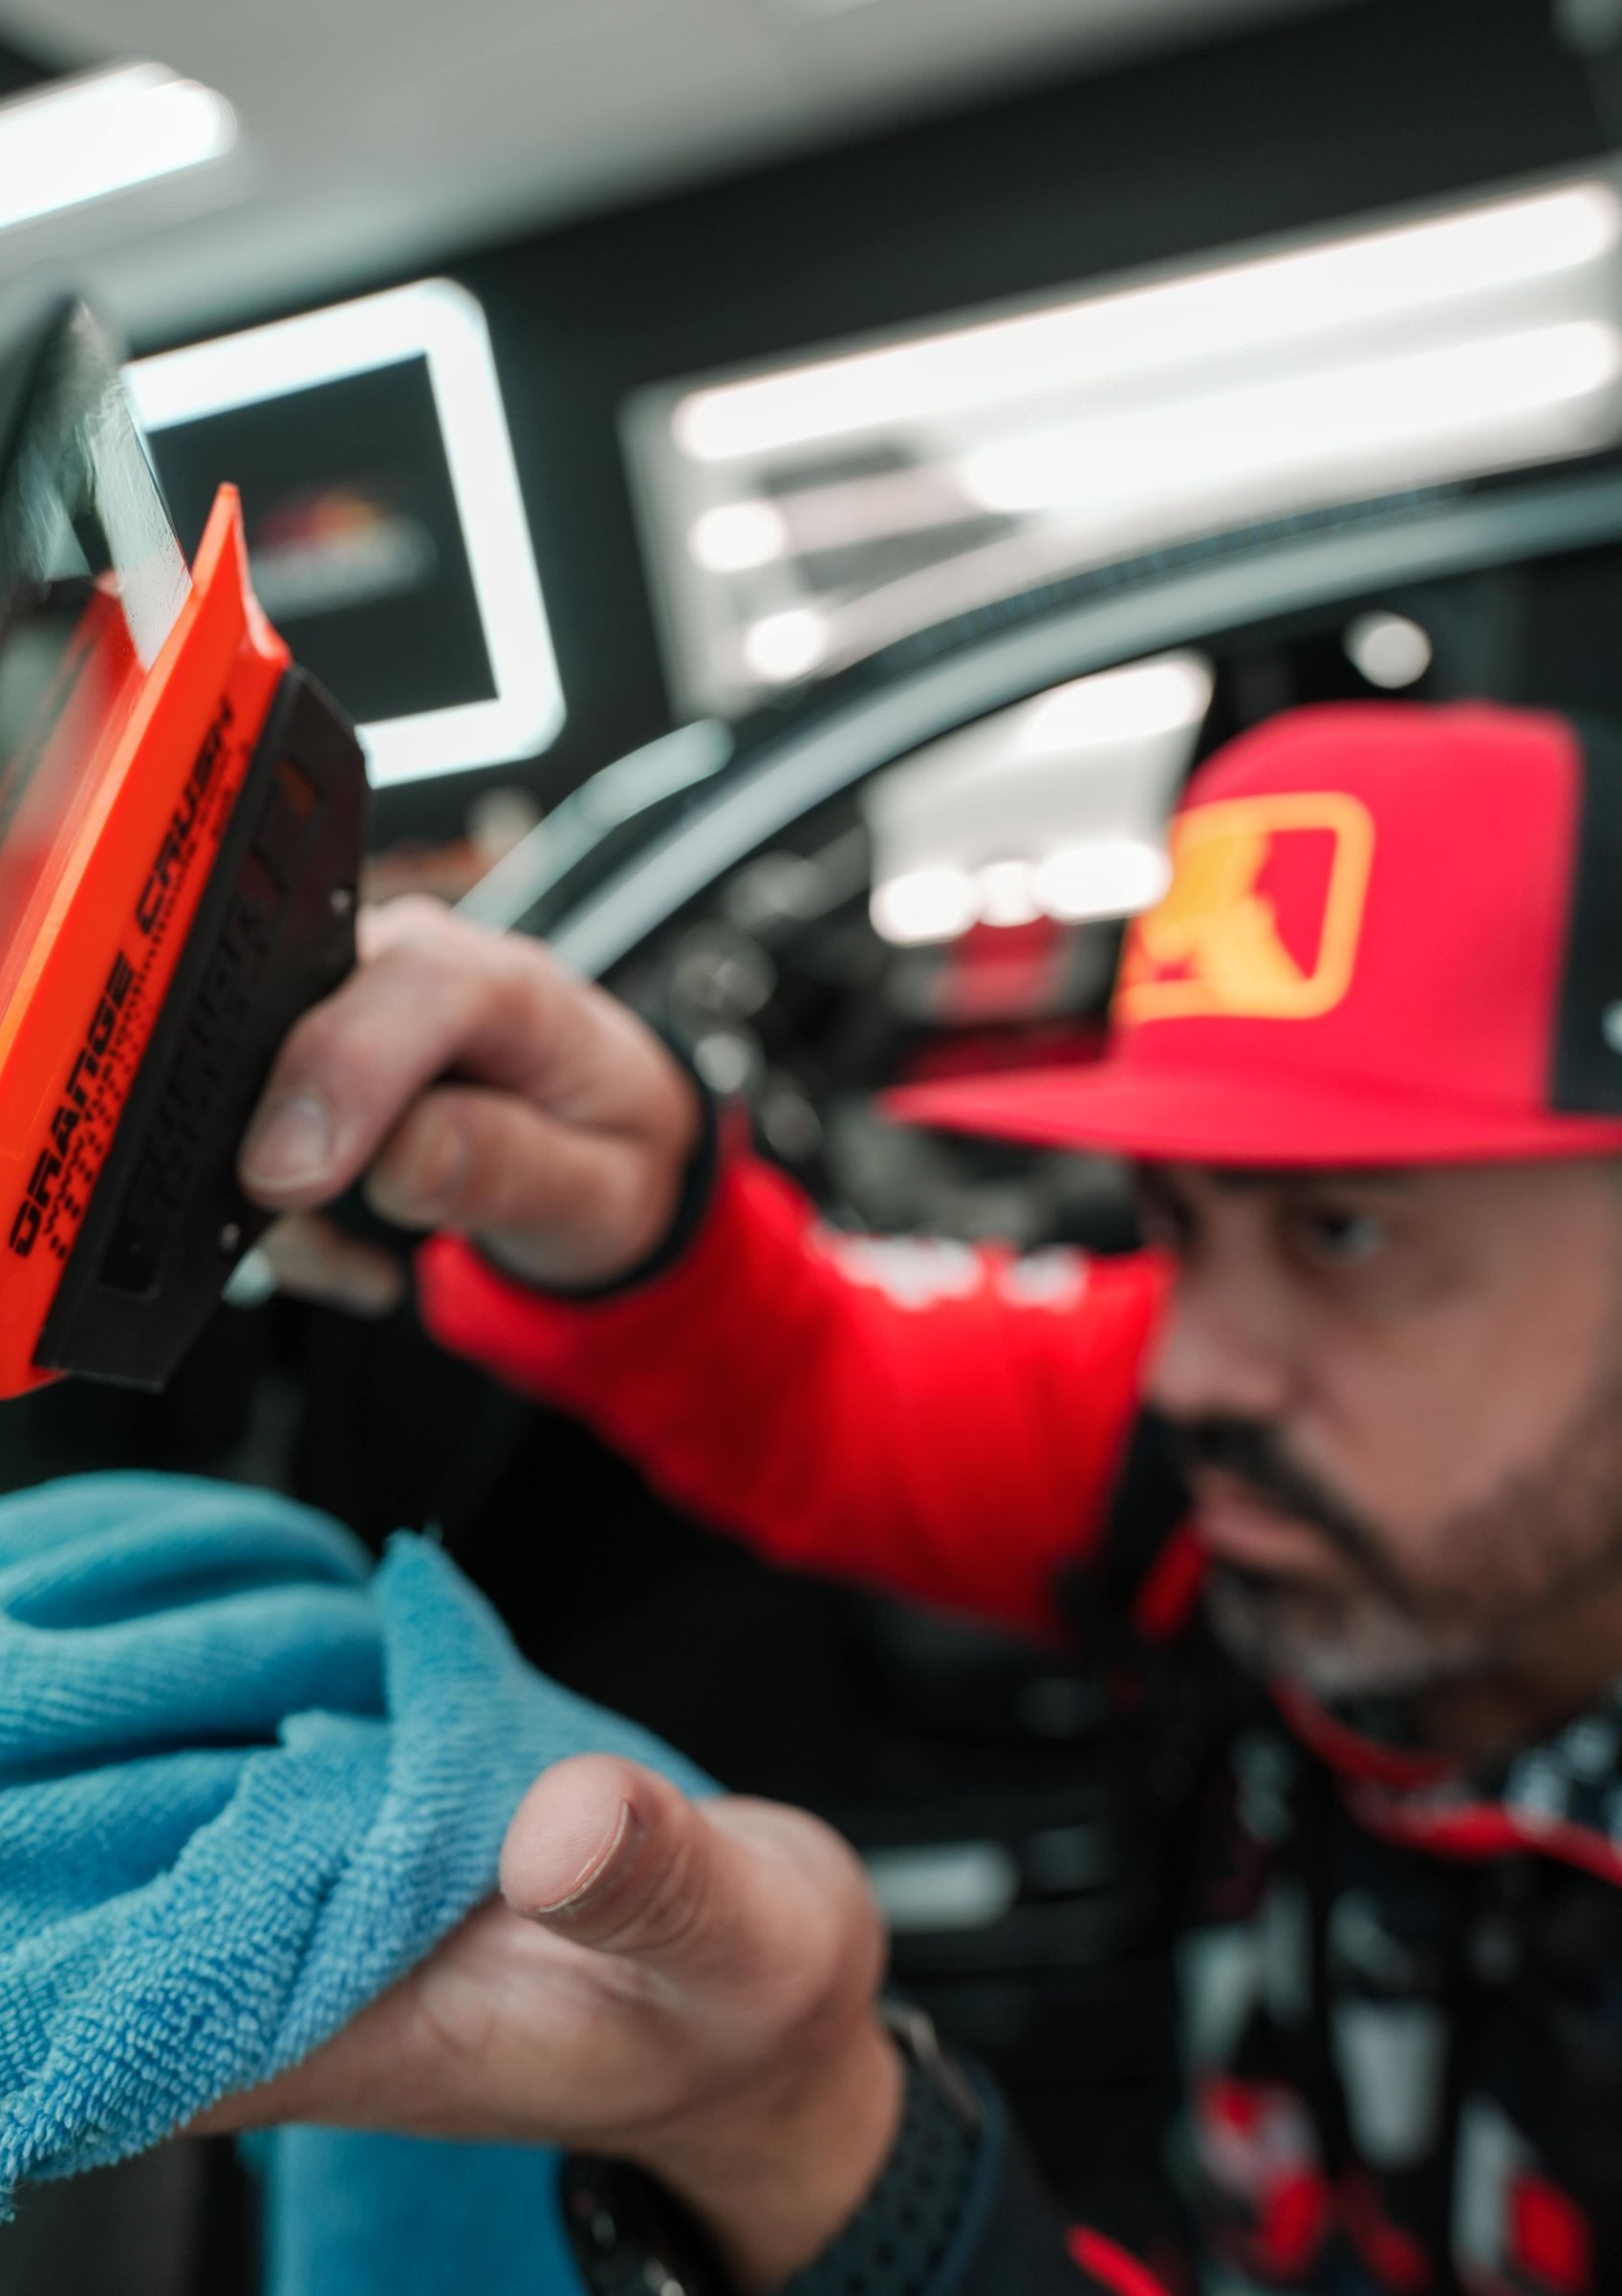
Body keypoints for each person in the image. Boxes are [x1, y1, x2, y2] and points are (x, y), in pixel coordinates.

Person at [211, 698, 1622, 2296]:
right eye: (1177, 1220)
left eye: (1342, 1232)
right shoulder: (1230, 1456)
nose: (1190, 1370)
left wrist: (829, 2159)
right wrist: (625, 1199)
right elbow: (810, 1384)